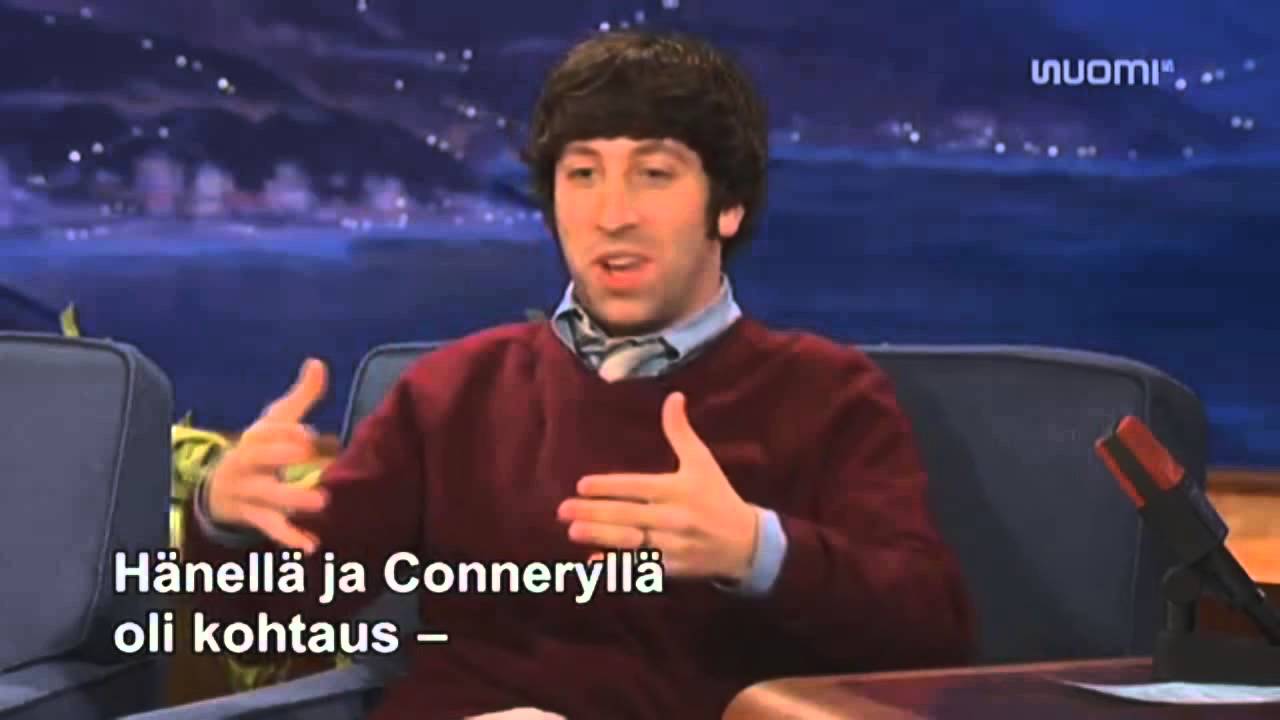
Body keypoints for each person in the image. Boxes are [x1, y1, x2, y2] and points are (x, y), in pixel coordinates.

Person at [184, 29, 976, 720]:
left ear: (727, 207)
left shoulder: (827, 396)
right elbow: (259, 627)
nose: (612, 214)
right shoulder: (453, 393)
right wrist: (223, 520)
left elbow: (931, 637)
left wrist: (755, 550)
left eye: (654, 174)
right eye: (583, 175)